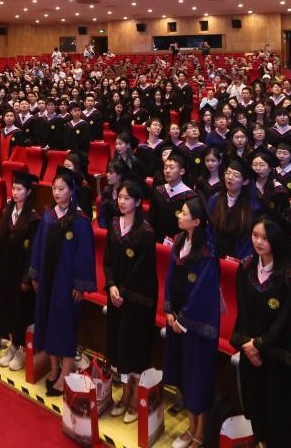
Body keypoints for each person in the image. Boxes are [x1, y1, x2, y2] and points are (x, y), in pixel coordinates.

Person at [232, 215, 291, 448]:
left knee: (278, 413)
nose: (259, 242)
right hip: (250, 350)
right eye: (255, 235)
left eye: (265, 237)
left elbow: (286, 321)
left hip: (277, 357)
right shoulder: (245, 268)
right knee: (255, 405)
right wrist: (249, 345)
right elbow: (242, 311)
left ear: (277, 240)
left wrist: (260, 345)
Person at [29, 168, 96, 396]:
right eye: (54, 188)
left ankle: (65, 374)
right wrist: (35, 274)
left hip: (66, 284)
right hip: (47, 281)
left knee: (65, 327)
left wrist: (79, 285)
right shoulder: (48, 214)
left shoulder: (80, 220)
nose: (56, 192)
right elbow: (38, 246)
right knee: (47, 322)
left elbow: (84, 255)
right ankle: (54, 367)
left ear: (72, 191)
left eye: (61, 188)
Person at [162, 197, 220, 448]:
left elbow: (202, 294)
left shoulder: (207, 252)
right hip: (177, 319)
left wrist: (183, 320)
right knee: (184, 375)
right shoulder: (179, 241)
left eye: (184, 213)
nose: (179, 216)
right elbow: (169, 278)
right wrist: (168, 311)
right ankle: (190, 425)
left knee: (198, 379)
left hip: (196, 326)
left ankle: (200, 432)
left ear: (196, 222)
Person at [102, 179, 157, 422]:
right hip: (116, 296)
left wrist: (123, 292)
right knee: (118, 345)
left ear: (137, 202)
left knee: (133, 346)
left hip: (137, 299)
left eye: (127, 198)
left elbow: (143, 271)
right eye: (120, 197)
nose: (121, 201)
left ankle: (135, 398)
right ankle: (124, 395)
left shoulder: (145, 233)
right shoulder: (114, 224)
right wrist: (111, 285)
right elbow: (107, 261)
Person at [0, 171, 40, 372]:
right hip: (6, 270)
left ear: (28, 192)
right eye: (14, 188)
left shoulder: (33, 218)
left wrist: (27, 277)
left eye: (20, 189)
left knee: (21, 311)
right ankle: (12, 345)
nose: (15, 192)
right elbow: (0, 241)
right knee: (6, 308)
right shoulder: (8, 211)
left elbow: (33, 250)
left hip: (21, 273)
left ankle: (21, 349)